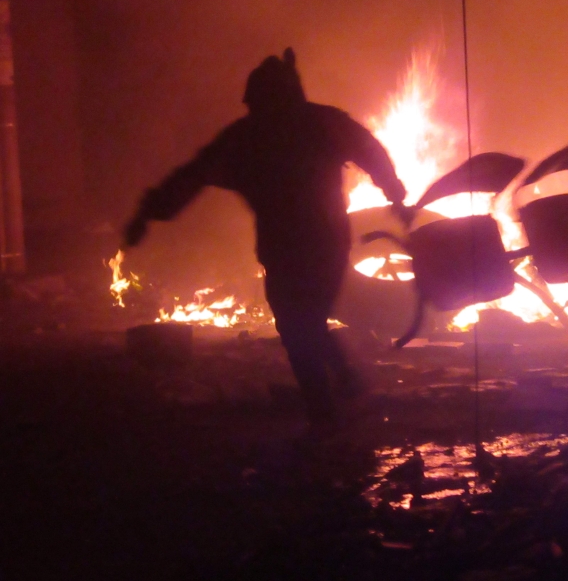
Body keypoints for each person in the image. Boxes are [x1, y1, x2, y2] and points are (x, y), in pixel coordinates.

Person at [123, 48, 407, 424]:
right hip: (325, 244)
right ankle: (344, 389)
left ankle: (328, 410)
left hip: (287, 247)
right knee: (306, 322)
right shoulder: (319, 122)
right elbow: (370, 151)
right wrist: (394, 192)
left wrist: (150, 211)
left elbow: (191, 177)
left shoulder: (248, 136)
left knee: (298, 325)